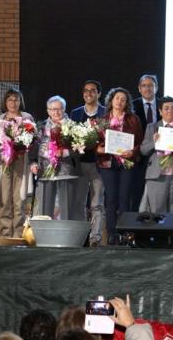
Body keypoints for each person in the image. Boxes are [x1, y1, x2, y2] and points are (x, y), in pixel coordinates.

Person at [96, 87, 143, 245]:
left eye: (123, 99)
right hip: (108, 162)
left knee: (125, 198)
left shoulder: (133, 119)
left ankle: (125, 234)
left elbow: (140, 143)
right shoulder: (102, 120)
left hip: (127, 163)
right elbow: (95, 143)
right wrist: (98, 149)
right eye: (117, 98)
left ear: (127, 103)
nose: (120, 101)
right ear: (111, 100)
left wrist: (133, 152)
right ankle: (111, 233)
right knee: (111, 199)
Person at [0, 88, 35, 238]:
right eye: (10, 99)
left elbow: (33, 140)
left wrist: (22, 143)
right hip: (4, 163)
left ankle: (17, 235)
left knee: (19, 201)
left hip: (21, 163)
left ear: (20, 101)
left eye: (16, 99)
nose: (13, 102)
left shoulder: (27, 117)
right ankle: (5, 235)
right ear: (5, 102)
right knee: (4, 200)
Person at [29, 96, 80, 220]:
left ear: (64, 109)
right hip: (45, 171)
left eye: (59, 109)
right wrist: (33, 163)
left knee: (66, 212)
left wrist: (65, 153)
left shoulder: (74, 126)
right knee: (44, 212)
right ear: (47, 111)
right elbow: (33, 149)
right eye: (52, 109)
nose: (55, 112)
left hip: (67, 172)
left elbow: (80, 150)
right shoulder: (41, 126)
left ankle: (66, 239)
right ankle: (46, 238)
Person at [140, 96, 173, 214]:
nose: (170, 111)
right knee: (156, 213)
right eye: (166, 108)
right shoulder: (151, 127)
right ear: (160, 111)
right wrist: (154, 142)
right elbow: (143, 150)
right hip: (157, 176)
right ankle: (158, 234)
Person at [69, 80, 106, 246]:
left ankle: (95, 238)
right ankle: (82, 236)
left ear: (99, 94)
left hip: (99, 165)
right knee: (79, 202)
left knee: (97, 203)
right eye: (86, 91)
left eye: (93, 91)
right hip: (79, 164)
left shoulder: (106, 113)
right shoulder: (75, 113)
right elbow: (68, 137)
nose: (89, 93)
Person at [130, 75, 161, 212]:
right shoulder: (131, 106)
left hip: (161, 157)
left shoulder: (164, 105)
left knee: (157, 197)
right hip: (138, 156)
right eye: (144, 85)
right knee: (137, 194)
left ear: (156, 88)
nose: (147, 88)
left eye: (150, 85)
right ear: (139, 88)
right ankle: (135, 230)